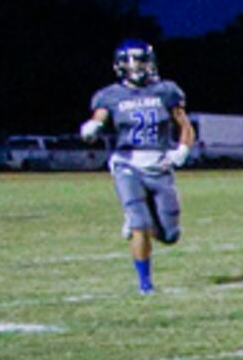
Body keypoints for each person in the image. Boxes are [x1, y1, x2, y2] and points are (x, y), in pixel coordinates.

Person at [79, 42, 195, 295]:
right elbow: (99, 117)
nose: (138, 68)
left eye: (142, 61)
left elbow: (184, 125)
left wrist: (182, 150)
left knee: (170, 235)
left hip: (159, 163)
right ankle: (145, 285)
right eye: (132, 62)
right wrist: (92, 127)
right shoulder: (109, 95)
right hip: (127, 162)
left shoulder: (166, 90)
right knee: (139, 224)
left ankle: (141, 220)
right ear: (120, 66)